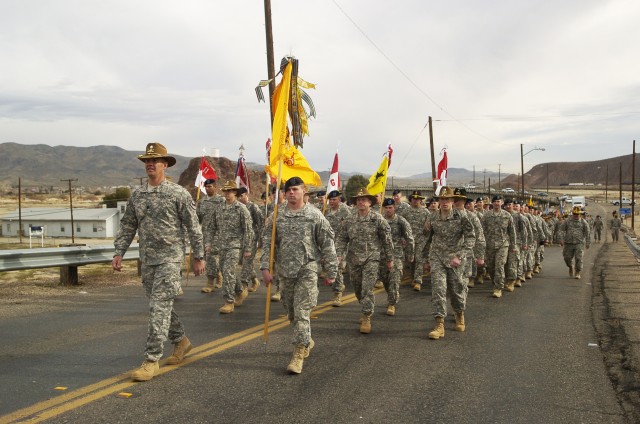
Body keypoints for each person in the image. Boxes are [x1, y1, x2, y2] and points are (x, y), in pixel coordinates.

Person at [112, 142, 205, 382]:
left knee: (158, 307)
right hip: (148, 260)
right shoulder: (138, 195)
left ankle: (151, 360)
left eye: (154, 161)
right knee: (160, 306)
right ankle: (182, 341)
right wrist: (119, 252)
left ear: (165, 164)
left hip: (170, 259)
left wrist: (198, 256)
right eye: (146, 161)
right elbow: (128, 225)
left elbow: (193, 227)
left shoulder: (178, 193)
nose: (150, 164)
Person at [261, 176, 337, 374]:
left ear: (304, 191)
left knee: (302, 311)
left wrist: (331, 270)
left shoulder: (314, 215)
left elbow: (327, 243)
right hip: (286, 272)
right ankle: (306, 340)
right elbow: (268, 243)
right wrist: (265, 268)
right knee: (292, 313)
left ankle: (298, 353)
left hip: (307, 269)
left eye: (296, 189)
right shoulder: (277, 215)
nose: (292, 193)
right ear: (284, 194)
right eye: (289, 190)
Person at [336, 188, 393, 334]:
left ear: (370, 202)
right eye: (358, 200)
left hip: (372, 258)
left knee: (367, 287)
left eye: (364, 199)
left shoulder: (377, 219)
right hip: (354, 259)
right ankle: (364, 307)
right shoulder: (349, 219)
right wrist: (339, 255)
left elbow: (387, 240)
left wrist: (389, 258)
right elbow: (342, 238)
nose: (360, 202)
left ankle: (367, 316)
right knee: (357, 288)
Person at [423, 186, 475, 340]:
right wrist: (426, 259)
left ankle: (459, 313)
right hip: (437, 257)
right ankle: (439, 324)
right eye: (442, 199)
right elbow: (427, 239)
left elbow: (471, 238)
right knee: (438, 290)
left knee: (456, 291)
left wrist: (459, 256)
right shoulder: (432, 217)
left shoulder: (461, 216)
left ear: (453, 201)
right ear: (438, 201)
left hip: (455, 260)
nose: (444, 202)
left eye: (447, 199)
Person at [206, 181, 253, 314]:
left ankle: (228, 302)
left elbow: (248, 230)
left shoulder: (241, 209)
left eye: (230, 191)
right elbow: (212, 227)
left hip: (235, 246)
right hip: (222, 246)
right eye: (225, 191)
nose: (227, 194)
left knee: (227, 272)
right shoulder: (219, 208)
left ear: (235, 193)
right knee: (226, 271)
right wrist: (208, 243)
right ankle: (239, 291)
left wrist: (248, 248)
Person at [380, 198, 414, 316]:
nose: (388, 210)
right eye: (386, 208)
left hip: (397, 255)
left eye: (390, 208)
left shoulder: (401, 221)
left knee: (394, 279)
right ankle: (392, 295)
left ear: (394, 208)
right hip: (382, 255)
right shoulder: (380, 221)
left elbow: (409, 239)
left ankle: (391, 303)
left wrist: (410, 254)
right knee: (385, 279)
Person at [481, 195, 516, 298]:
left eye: (498, 201)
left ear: (501, 203)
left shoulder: (507, 216)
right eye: (495, 201)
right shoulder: (486, 216)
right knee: (491, 267)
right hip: (489, 245)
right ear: (492, 203)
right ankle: (495, 282)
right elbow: (481, 231)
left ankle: (498, 288)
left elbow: (512, 232)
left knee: (499, 265)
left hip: (503, 245)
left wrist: (513, 245)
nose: (497, 203)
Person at [398, 190, 429, 292]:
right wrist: (402, 238)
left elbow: (429, 226)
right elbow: (400, 226)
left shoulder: (426, 212)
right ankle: (412, 277)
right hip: (409, 240)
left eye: (417, 199)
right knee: (411, 260)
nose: (415, 201)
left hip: (421, 240)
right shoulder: (405, 212)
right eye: (413, 199)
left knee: (419, 259)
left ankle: (418, 281)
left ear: (421, 200)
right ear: (410, 200)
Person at [324, 190, 351, 306]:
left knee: (338, 267)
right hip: (328, 244)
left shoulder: (346, 211)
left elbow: (351, 226)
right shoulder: (325, 212)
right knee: (330, 268)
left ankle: (337, 293)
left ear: (339, 200)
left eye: (334, 199)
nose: (331, 202)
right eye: (330, 199)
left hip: (341, 244)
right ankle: (338, 285)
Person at [198, 178, 224, 293]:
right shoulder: (202, 201)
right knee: (210, 257)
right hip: (205, 234)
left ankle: (210, 282)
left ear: (215, 187)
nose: (207, 189)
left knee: (211, 256)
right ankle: (218, 274)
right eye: (206, 187)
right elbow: (198, 217)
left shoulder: (221, 201)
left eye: (210, 187)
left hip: (217, 234)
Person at [237, 186, 264, 292]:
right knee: (244, 262)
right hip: (241, 240)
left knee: (247, 261)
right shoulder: (238, 207)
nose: (239, 198)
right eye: (238, 196)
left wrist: (261, 238)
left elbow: (261, 223)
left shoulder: (253, 207)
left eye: (241, 196)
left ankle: (243, 285)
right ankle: (254, 280)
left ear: (246, 195)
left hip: (252, 239)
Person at [559, 206, 590, 279]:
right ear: (572, 214)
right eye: (574, 214)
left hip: (579, 243)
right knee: (567, 258)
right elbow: (561, 230)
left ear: (580, 214)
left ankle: (577, 272)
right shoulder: (567, 221)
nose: (576, 216)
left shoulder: (583, 222)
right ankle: (570, 267)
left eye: (577, 214)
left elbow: (587, 233)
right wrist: (561, 239)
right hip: (568, 243)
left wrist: (588, 243)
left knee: (579, 258)